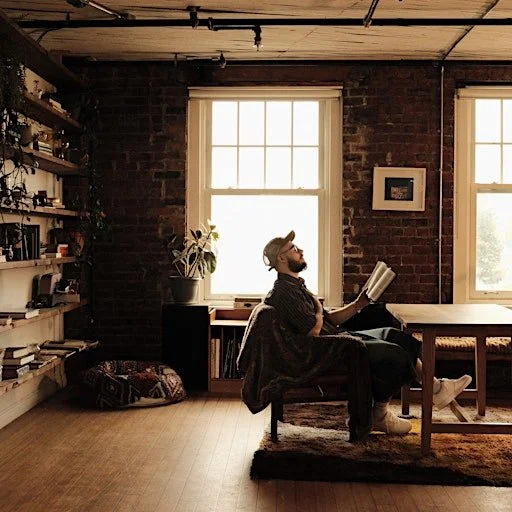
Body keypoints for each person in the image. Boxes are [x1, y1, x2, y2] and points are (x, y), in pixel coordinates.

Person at [262, 230, 472, 435]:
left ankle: (437, 388)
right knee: (394, 354)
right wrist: (318, 309)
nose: (300, 250)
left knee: (396, 336)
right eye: (294, 248)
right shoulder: (284, 292)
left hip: (335, 340)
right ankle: (380, 414)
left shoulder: (297, 287)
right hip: (328, 351)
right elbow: (312, 332)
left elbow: (328, 320)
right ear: (281, 257)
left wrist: (357, 304)